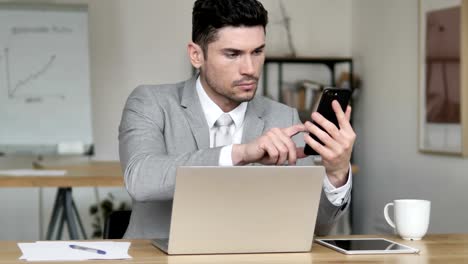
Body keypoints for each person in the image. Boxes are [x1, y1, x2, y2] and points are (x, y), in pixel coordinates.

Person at [119, 0, 356, 239]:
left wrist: (336, 174)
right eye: (233, 54)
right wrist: (239, 153)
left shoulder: (283, 117)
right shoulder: (150, 102)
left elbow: (313, 227)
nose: (250, 69)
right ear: (196, 55)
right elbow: (141, 179)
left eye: (257, 52)